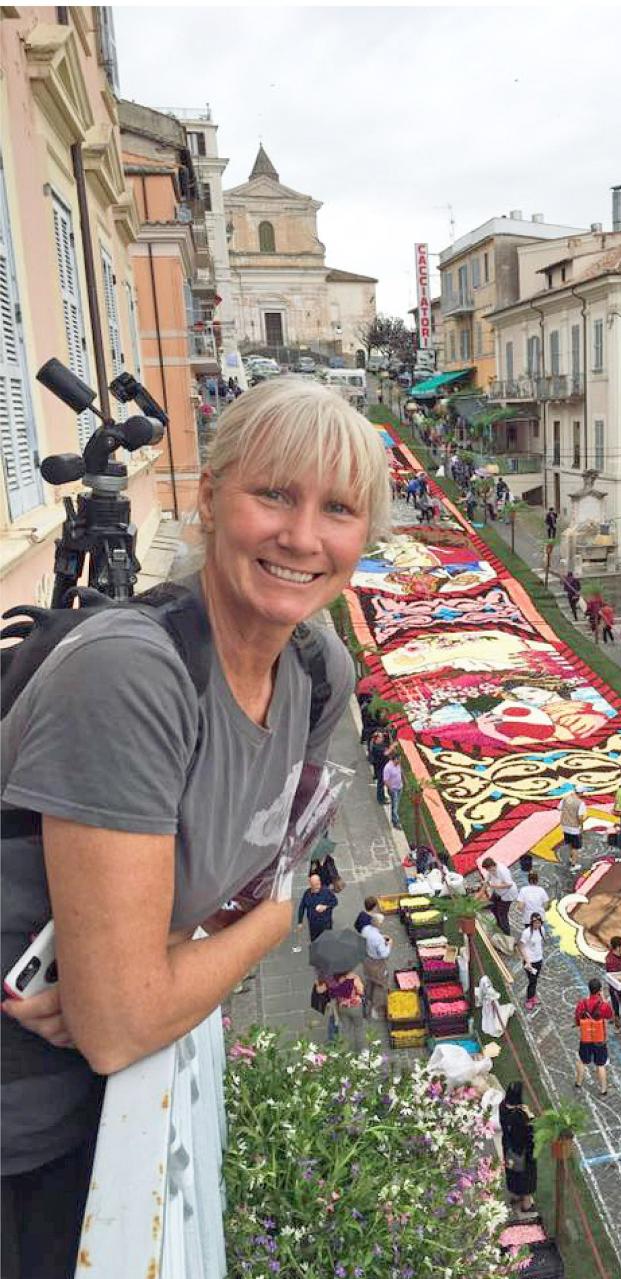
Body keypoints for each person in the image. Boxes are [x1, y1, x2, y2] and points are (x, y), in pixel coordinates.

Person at [0, 377, 390, 1278]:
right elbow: (119, 1020)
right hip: (21, 1128)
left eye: (337, 507)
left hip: (91, 1098)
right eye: (274, 494)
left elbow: (234, 871)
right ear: (211, 498)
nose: (302, 537)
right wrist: (269, 925)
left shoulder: (314, 667)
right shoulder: (132, 678)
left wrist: (159, 951)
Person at [499, 1081, 537, 1212]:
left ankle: (515, 1196)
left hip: (508, 1148)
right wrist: (530, 1117)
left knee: (512, 1173)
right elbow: (529, 1134)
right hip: (523, 1152)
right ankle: (526, 1205)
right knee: (526, 1177)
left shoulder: (502, 1107)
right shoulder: (520, 1116)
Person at [573, 978, 614, 1095]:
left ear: (589, 989)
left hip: (586, 1037)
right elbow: (609, 1016)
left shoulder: (582, 1003)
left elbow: (577, 1018)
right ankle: (603, 1089)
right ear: (600, 990)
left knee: (582, 1060)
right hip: (599, 1038)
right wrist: (604, 1000)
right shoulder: (603, 1005)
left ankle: (578, 1082)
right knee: (600, 1064)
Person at [317, 969, 366, 1051]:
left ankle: (346, 1051)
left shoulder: (331, 981)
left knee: (345, 1030)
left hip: (342, 1008)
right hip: (355, 1007)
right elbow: (361, 991)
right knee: (358, 1028)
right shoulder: (353, 978)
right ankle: (362, 1050)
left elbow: (320, 990)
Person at [360, 911, 392, 1018]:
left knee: (369, 981)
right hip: (377, 963)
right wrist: (389, 945)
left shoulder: (365, 929)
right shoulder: (377, 938)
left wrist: (381, 937)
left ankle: (368, 999)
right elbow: (384, 954)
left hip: (367, 960)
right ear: (379, 924)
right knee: (381, 984)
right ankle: (376, 1008)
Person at [480, 857, 519, 935]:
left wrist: (493, 886)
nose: (489, 871)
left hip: (507, 894)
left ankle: (507, 933)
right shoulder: (490, 871)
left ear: (492, 866)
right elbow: (486, 883)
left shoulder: (503, 871)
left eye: (489, 869)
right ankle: (499, 924)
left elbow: (509, 884)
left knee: (502, 914)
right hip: (498, 892)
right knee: (492, 906)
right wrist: (479, 894)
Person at [297, 873, 338, 942]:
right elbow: (302, 907)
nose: (317, 886)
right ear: (310, 884)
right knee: (315, 943)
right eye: (315, 885)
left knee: (327, 942)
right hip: (313, 926)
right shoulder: (307, 894)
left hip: (325, 925)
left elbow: (335, 901)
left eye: (318, 883)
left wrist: (325, 907)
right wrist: (300, 922)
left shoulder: (326, 891)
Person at [604, 936, 621, 1031]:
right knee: (616, 1004)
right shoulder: (610, 960)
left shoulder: (619, 954)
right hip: (615, 987)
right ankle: (617, 1023)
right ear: (618, 947)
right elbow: (615, 975)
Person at [518, 913, 545, 1010]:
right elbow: (520, 946)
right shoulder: (526, 933)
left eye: (539, 923)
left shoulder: (542, 930)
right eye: (535, 923)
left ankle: (532, 996)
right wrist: (527, 960)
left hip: (538, 959)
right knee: (532, 981)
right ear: (531, 922)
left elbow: (540, 943)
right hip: (530, 961)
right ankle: (529, 998)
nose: (537, 925)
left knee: (535, 980)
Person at [558, 788, 587, 872]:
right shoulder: (580, 803)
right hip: (574, 827)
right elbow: (580, 817)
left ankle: (571, 858)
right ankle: (574, 864)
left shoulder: (565, 798)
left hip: (565, 825)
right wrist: (581, 825)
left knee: (570, 843)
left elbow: (559, 808)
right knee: (575, 847)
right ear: (581, 793)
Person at [368, 728, 390, 805]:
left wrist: (384, 734)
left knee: (381, 783)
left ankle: (382, 797)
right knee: (381, 784)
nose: (383, 738)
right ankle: (381, 799)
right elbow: (387, 752)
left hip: (380, 766)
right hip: (381, 767)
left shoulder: (376, 743)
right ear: (377, 739)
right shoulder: (377, 747)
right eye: (381, 737)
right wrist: (394, 745)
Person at [382, 754, 404, 829]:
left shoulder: (398, 765)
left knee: (396, 804)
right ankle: (396, 822)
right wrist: (390, 789)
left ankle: (394, 819)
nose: (400, 761)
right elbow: (385, 780)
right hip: (393, 789)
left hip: (399, 787)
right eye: (399, 760)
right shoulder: (388, 768)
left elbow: (399, 773)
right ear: (394, 759)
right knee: (395, 806)